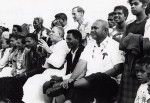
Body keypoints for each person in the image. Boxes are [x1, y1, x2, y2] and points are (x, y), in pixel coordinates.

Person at [61, 19, 124, 103]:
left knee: (98, 76)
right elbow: (82, 62)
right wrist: (72, 78)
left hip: (107, 82)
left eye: (95, 28)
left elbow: (118, 68)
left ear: (105, 30)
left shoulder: (115, 45)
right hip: (86, 82)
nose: (92, 30)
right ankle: (72, 86)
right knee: (70, 98)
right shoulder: (90, 45)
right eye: (91, 28)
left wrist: (96, 78)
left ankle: (72, 84)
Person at [22, 26, 69, 103]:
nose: (50, 33)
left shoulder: (63, 44)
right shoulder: (53, 45)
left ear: (60, 34)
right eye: (50, 31)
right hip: (49, 71)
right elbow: (46, 64)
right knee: (32, 80)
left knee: (36, 82)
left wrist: (48, 50)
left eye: (53, 32)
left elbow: (57, 64)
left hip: (58, 73)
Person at [118, 0, 149, 102]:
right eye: (131, 4)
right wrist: (134, 38)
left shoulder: (148, 23)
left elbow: (147, 45)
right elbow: (122, 45)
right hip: (129, 65)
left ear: (144, 5)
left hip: (144, 65)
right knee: (127, 98)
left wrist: (132, 38)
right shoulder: (130, 25)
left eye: (135, 4)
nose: (132, 6)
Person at [43, 29, 85, 103]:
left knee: (54, 88)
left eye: (69, 39)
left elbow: (80, 72)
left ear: (77, 39)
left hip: (79, 79)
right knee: (47, 84)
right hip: (68, 77)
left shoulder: (83, 52)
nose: (67, 41)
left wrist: (62, 78)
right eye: (66, 39)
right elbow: (66, 69)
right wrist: (59, 77)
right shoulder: (70, 53)